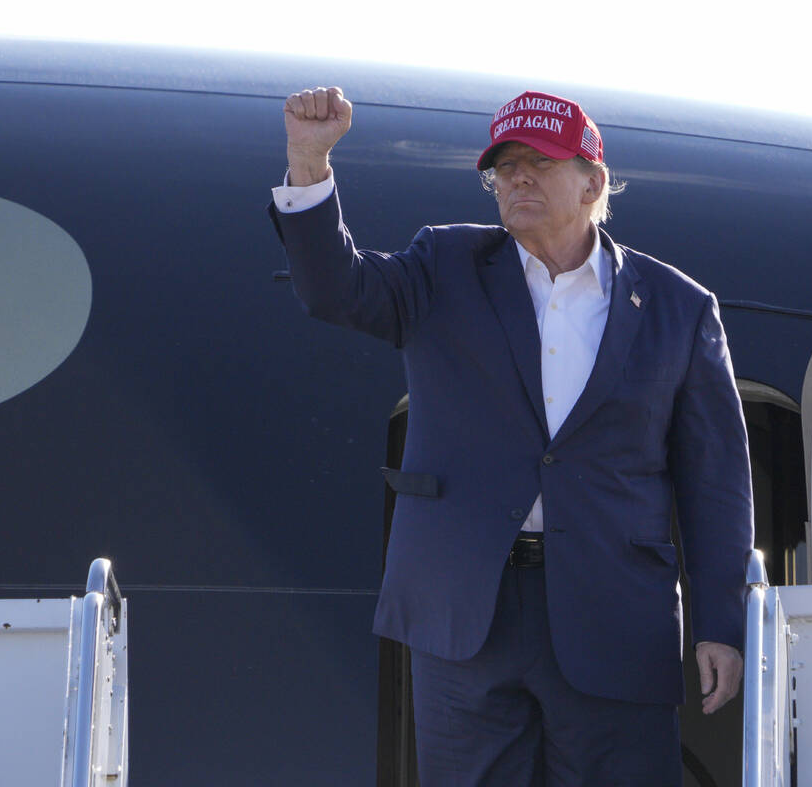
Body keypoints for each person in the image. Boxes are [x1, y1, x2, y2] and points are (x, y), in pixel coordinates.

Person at [270, 86, 754, 786]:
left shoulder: (679, 308)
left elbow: (716, 486)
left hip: (614, 617)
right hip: (467, 612)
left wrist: (722, 624)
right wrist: (308, 162)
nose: (517, 178)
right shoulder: (443, 266)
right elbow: (333, 290)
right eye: (504, 167)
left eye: (539, 162)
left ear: (592, 182)